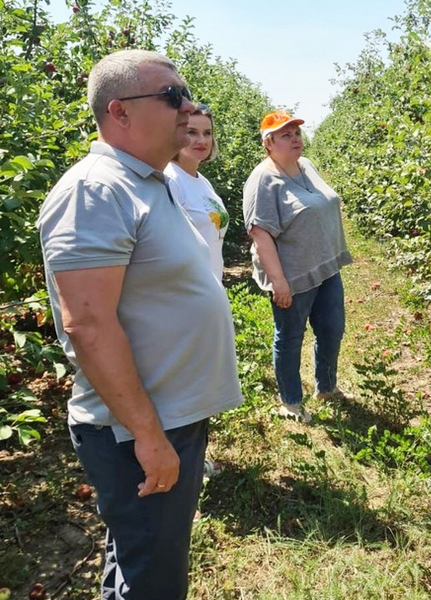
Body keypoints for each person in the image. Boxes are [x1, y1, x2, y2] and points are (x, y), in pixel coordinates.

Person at [37, 49, 243, 599]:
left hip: (169, 415)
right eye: (173, 96)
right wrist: (149, 436)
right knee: (155, 576)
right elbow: (88, 323)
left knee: (141, 556)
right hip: (137, 429)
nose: (190, 107)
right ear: (119, 111)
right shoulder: (95, 190)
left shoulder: (153, 182)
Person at [243, 110, 352, 423]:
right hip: (292, 275)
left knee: (332, 330)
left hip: (325, 266)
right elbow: (260, 233)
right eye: (285, 135)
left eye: (296, 133)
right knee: (290, 337)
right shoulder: (263, 179)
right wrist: (278, 281)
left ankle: (326, 387)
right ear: (269, 143)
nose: (294, 139)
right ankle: (290, 401)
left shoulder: (306, 166)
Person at [165, 103, 229, 282]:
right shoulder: (170, 180)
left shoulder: (202, 181)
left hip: (210, 287)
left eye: (207, 133)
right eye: (192, 132)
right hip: (186, 291)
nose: (202, 140)